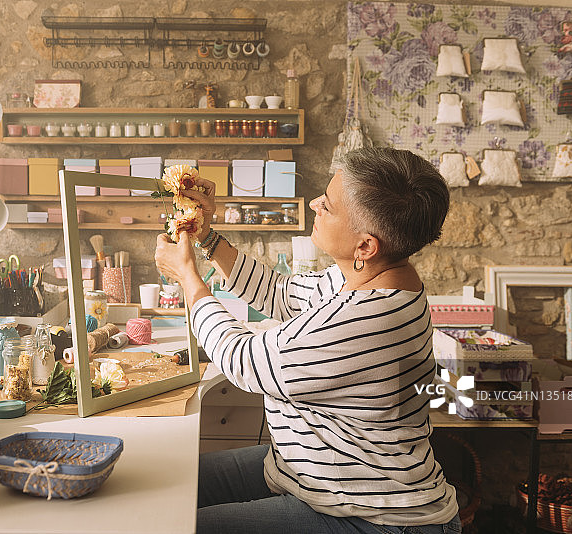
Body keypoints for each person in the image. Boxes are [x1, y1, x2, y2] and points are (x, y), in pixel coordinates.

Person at [154, 147, 461, 534]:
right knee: (165, 487)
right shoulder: (372, 274)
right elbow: (280, 293)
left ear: (365, 245)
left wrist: (189, 280)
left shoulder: (369, 318)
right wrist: (209, 239)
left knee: (173, 525)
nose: (315, 203)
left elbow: (244, 360)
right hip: (312, 477)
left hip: (373, 517)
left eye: (328, 206)